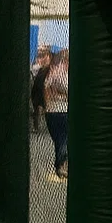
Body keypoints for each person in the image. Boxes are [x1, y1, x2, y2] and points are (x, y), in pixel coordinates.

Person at [44, 48, 69, 180]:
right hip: (62, 110)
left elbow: (46, 87)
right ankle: (61, 165)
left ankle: (60, 164)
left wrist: (47, 103)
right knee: (63, 139)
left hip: (51, 111)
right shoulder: (63, 73)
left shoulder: (52, 71)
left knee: (59, 139)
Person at [30, 44, 51, 133]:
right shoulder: (41, 69)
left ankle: (45, 125)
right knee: (36, 110)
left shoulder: (49, 69)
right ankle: (36, 126)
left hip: (43, 92)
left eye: (42, 55)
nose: (40, 58)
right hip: (37, 92)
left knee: (44, 109)